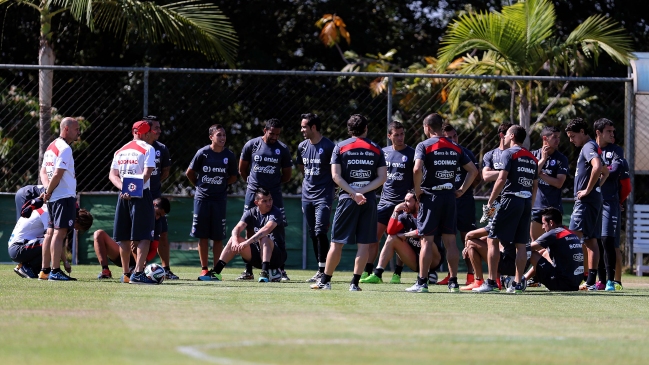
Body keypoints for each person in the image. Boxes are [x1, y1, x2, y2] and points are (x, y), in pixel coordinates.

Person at [310, 114, 387, 291]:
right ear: (366, 129)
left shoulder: (340, 147)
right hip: (368, 201)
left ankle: (326, 281)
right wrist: (363, 192)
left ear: (349, 129)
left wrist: (354, 192)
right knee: (364, 244)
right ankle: (354, 284)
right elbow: (382, 178)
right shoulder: (376, 148)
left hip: (347, 199)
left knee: (337, 243)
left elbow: (335, 176)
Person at [410, 113, 478, 293]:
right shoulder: (455, 147)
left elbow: (417, 169)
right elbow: (473, 170)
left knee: (426, 241)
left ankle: (422, 283)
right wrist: (461, 190)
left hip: (431, 197)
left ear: (427, 128)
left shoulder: (423, 145)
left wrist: (417, 191)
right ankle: (454, 282)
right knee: (451, 241)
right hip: (449, 197)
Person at [475, 125, 538, 294]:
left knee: (492, 239)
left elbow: (502, 178)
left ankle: (491, 282)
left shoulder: (508, 153)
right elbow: (535, 184)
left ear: (511, 136)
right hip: (525, 203)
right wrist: (530, 204)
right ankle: (517, 284)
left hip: (510, 200)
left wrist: (490, 201)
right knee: (521, 245)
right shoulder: (532, 157)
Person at [239, 118, 293, 281]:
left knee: (278, 229)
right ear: (265, 130)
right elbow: (242, 169)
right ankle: (248, 270)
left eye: (278, 134)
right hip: (253, 193)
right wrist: (253, 185)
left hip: (274, 194)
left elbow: (287, 175)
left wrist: (273, 183)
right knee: (249, 226)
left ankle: (280, 269)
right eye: (272, 133)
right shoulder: (252, 145)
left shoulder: (282, 149)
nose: (275, 137)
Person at [362, 121, 415, 284]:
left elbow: (417, 178)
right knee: (373, 237)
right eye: (396, 134)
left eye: (402, 134)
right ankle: (367, 271)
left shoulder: (411, 153)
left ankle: (397, 273)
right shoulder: (382, 152)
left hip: (402, 205)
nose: (400, 137)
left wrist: (411, 198)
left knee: (398, 238)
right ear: (389, 136)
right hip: (384, 202)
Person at [360, 191, 443, 290]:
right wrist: (395, 211)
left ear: (417, 203)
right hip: (415, 260)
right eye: (404, 201)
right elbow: (391, 231)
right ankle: (378, 274)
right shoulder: (405, 215)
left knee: (425, 238)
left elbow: (422, 231)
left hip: (434, 260)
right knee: (392, 238)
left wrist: (405, 235)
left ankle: (427, 274)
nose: (404, 204)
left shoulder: (427, 213)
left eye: (408, 201)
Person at [186, 124, 239, 280]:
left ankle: (216, 271)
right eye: (219, 135)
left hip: (219, 200)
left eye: (224, 135)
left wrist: (221, 185)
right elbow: (189, 173)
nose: (222, 138)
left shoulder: (229, 155)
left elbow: (233, 177)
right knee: (202, 235)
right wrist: (199, 185)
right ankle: (204, 269)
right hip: (202, 199)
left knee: (217, 237)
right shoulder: (202, 153)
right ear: (211, 137)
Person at [109, 120, 157, 284]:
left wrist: (124, 189)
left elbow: (112, 175)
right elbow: (147, 173)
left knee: (123, 236)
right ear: (146, 133)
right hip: (141, 195)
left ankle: (126, 274)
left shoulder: (120, 151)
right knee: (144, 235)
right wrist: (132, 190)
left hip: (122, 197)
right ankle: (138, 272)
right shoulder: (148, 149)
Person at [565, 117, 609, 291]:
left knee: (571, 237)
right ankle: (590, 281)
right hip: (594, 200)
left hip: (586, 201)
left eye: (573, 136)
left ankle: (570, 276)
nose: (571, 140)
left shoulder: (588, 146)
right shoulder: (592, 147)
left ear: (582, 132)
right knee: (591, 241)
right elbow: (605, 172)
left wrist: (587, 190)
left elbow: (598, 167)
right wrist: (596, 188)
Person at [207, 187, 287, 282]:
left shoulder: (276, 212)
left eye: (270, 199)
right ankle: (216, 272)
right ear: (257, 203)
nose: (269, 203)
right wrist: (236, 241)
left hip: (277, 256)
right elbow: (236, 228)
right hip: (258, 255)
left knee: (264, 238)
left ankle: (264, 272)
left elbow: (265, 230)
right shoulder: (251, 212)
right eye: (265, 201)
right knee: (233, 239)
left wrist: (246, 243)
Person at [436, 122, 480, 286]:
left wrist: (463, 189)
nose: (453, 139)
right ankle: (451, 274)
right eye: (449, 137)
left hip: (465, 202)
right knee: (449, 239)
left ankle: (472, 276)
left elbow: (477, 176)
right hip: (446, 201)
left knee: (468, 238)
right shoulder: (439, 153)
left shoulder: (465, 153)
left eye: (455, 136)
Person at [38, 117, 80, 281]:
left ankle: (45, 270)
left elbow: (43, 172)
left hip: (54, 196)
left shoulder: (50, 147)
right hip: (63, 196)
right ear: (66, 129)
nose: (79, 132)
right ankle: (55, 270)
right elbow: (58, 173)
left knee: (50, 232)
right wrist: (49, 191)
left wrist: (48, 191)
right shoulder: (65, 148)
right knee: (59, 232)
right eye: (76, 129)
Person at [296, 113, 336, 283]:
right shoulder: (302, 146)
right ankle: (321, 269)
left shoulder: (329, 146)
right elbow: (302, 168)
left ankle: (324, 270)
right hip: (307, 196)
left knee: (321, 230)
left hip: (324, 196)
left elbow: (336, 171)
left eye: (304, 126)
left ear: (313, 127)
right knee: (313, 233)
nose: (302, 129)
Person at [94, 197, 170, 279]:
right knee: (98, 234)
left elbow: (154, 248)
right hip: (120, 252)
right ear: (154, 205)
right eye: (158, 213)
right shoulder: (134, 210)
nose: (157, 217)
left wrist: (145, 260)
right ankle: (105, 270)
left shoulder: (157, 223)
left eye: (160, 216)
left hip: (138, 258)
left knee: (140, 241)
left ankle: (137, 270)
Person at [9, 206, 93, 279]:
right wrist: (65, 262)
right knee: (49, 241)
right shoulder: (47, 214)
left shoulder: (48, 210)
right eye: (77, 227)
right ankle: (26, 266)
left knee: (48, 247)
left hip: (21, 247)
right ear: (76, 219)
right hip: (18, 248)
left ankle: (26, 266)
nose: (75, 229)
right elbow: (52, 242)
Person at [143, 115, 177, 280]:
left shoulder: (161, 148)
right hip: (139, 196)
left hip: (155, 196)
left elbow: (165, 172)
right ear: (146, 130)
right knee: (137, 233)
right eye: (155, 127)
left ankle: (166, 269)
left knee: (162, 232)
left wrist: (153, 183)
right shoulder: (137, 147)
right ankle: (133, 268)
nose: (159, 130)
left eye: (159, 127)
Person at [594, 118, 624, 291]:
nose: (613, 134)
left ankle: (611, 281)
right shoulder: (591, 149)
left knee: (607, 240)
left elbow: (615, 171)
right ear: (598, 133)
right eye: (609, 131)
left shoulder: (616, 150)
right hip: (594, 202)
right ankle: (600, 280)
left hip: (610, 202)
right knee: (596, 241)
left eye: (613, 131)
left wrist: (600, 170)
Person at [523, 207, 584, 291]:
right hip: (575, 284)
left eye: (543, 223)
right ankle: (524, 279)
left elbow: (526, 248)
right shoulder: (570, 233)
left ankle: (518, 280)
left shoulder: (554, 233)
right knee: (544, 251)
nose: (543, 227)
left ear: (551, 223)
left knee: (531, 253)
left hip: (561, 284)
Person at [530, 126, 568, 241]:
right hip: (536, 208)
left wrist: (541, 174)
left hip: (553, 209)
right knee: (535, 244)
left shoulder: (561, 159)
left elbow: (558, 183)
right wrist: (543, 160)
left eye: (559, 138)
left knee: (553, 245)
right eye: (554, 137)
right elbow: (530, 177)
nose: (558, 140)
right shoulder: (533, 155)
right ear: (545, 138)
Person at [461, 225, 517, 291]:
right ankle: (497, 280)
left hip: (507, 263)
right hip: (519, 265)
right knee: (492, 241)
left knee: (471, 243)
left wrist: (466, 246)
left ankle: (479, 281)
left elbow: (469, 235)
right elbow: (488, 237)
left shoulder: (501, 218)